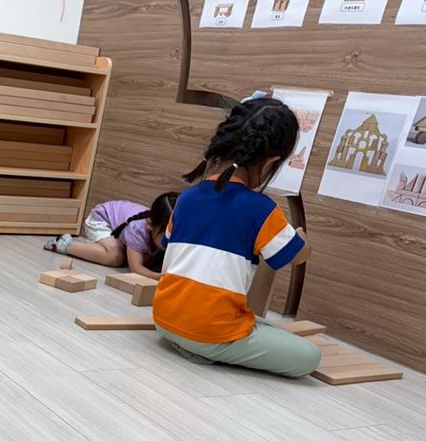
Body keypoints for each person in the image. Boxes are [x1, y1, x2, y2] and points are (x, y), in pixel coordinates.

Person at [152, 96, 320, 378]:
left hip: (163, 320)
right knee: (309, 356)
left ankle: (193, 340)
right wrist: (302, 240)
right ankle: (203, 346)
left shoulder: (186, 198)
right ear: (270, 163)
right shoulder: (261, 209)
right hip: (208, 334)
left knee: (259, 323)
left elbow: (169, 246)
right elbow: (297, 256)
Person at [43, 193, 178, 280]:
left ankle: (101, 246)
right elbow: (135, 269)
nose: (171, 241)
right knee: (116, 257)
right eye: (166, 237)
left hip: (121, 227)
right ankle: (63, 243)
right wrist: (158, 277)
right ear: (150, 224)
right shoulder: (137, 230)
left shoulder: (160, 227)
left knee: (147, 260)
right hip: (101, 220)